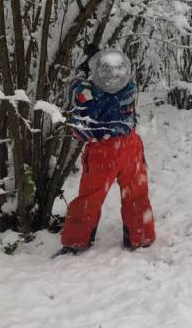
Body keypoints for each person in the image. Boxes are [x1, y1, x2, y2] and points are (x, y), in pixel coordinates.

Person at [58, 48, 156, 254]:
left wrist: (82, 74)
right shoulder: (129, 88)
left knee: (90, 197)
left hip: (102, 152)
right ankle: (141, 236)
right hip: (130, 147)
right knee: (136, 194)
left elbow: (75, 90)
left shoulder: (90, 95)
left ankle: (77, 240)